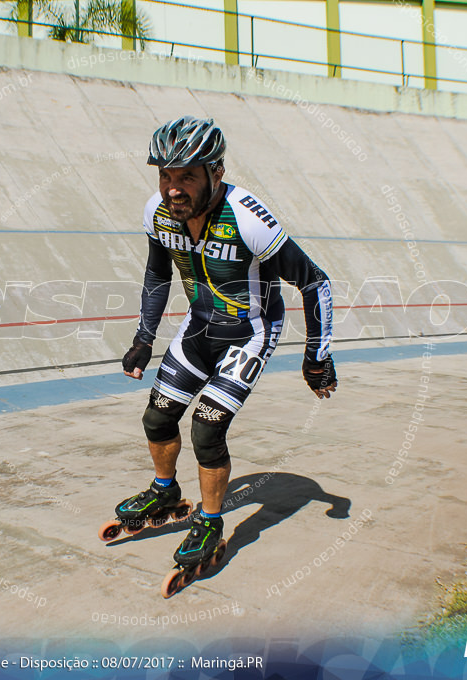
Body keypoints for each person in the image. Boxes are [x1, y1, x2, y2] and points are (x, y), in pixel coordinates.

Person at [115, 115, 338, 573]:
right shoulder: (158, 213)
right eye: (165, 176)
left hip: (250, 331)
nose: (173, 189)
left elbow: (314, 283)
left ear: (216, 173)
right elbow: (158, 275)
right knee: (157, 418)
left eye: (187, 177)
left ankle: (212, 521)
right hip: (199, 327)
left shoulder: (247, 218)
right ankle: (165, 490)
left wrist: (317, 357)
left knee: (206, 429)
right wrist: (143, 338)